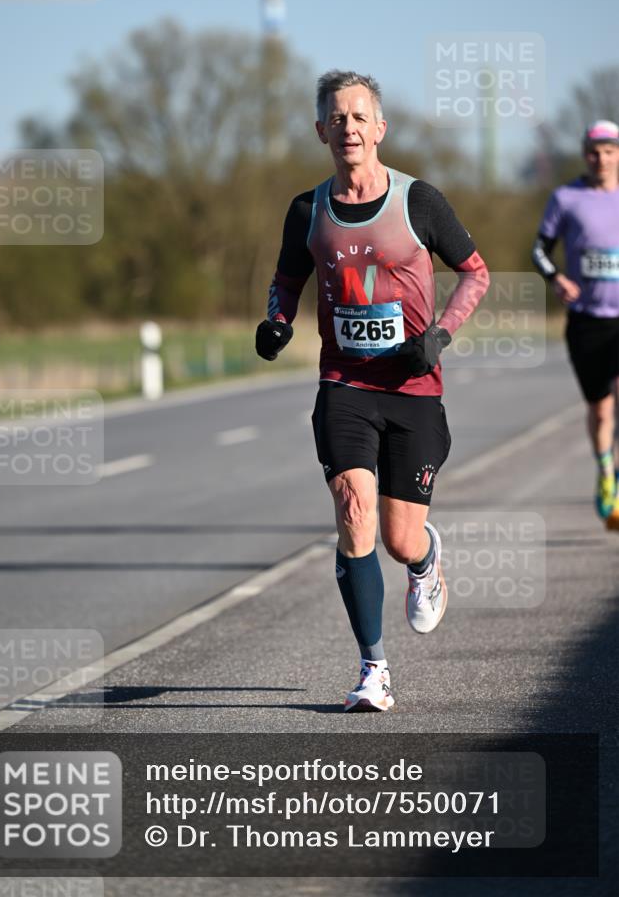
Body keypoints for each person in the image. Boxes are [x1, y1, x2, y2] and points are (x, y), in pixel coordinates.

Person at [256, 70, 490, 711]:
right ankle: (373, 669)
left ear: (379, 129)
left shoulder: (420, 202)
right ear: (320, 130)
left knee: (398, 537)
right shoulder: (308, 210)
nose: (349, 127)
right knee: (351, 512)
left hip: (413, 389)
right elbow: (286, 280)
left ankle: (424, 561)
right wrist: (277, 322)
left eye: (360, 117)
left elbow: (475, 274)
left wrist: (438, 336)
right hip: (345, 384)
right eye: (337, 117)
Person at [532, 120, 619, 530]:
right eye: (594, 152)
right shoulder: (566, 198)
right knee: (601, 411)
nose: (601, 159)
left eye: (609, 151)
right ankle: (606, 474)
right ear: (585, 154)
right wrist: (556, 278)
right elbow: (540, 250)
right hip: (587, 322)